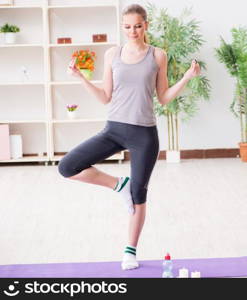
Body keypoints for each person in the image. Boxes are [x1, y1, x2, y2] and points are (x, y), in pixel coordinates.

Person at [58, 3, 201, 270]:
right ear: (122, 27)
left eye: (137, 25)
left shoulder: (158, 55)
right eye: (127, 26)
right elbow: (105, 97)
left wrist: (187, 77)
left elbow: (164, 97)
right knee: (66, 167)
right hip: (113, 129)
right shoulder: (113, 53)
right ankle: (118, 185)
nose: (132, 31)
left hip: (144, 134)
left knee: (139, 194)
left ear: (146, 25)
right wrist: (79, 77)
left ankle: (129, 252)